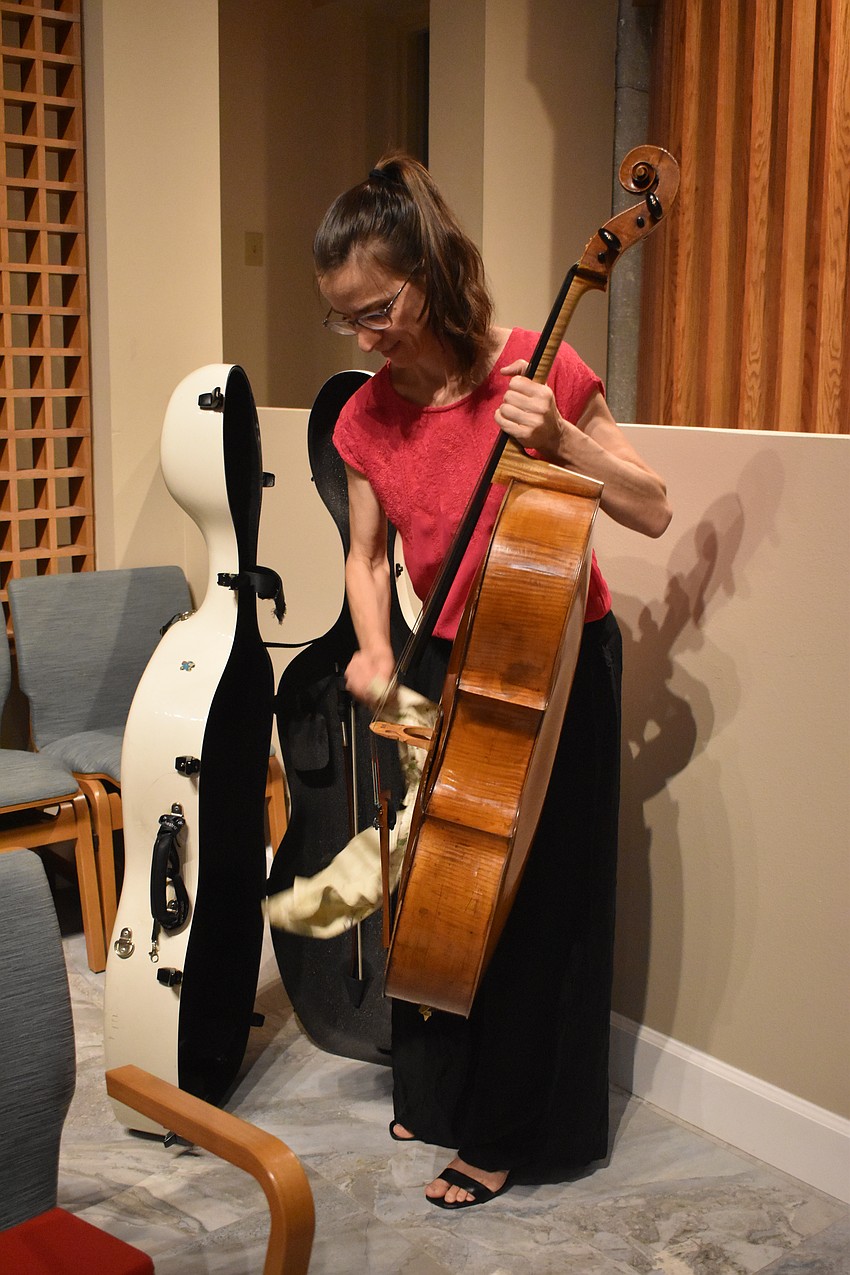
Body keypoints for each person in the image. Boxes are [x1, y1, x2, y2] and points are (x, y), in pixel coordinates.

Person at [313, 153, 671, 1210]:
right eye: (346, 321)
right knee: (438, 887)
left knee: (532, 906)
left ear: (428, 271)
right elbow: (365, 554)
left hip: (558, 662)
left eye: (377, 309)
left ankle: (512, 1129)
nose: (367, 337)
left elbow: (650, 508)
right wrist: (375, 649)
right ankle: (440, 1090)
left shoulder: (538, 366)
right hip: (450, 665)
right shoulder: (365, 419)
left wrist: (558, 437)